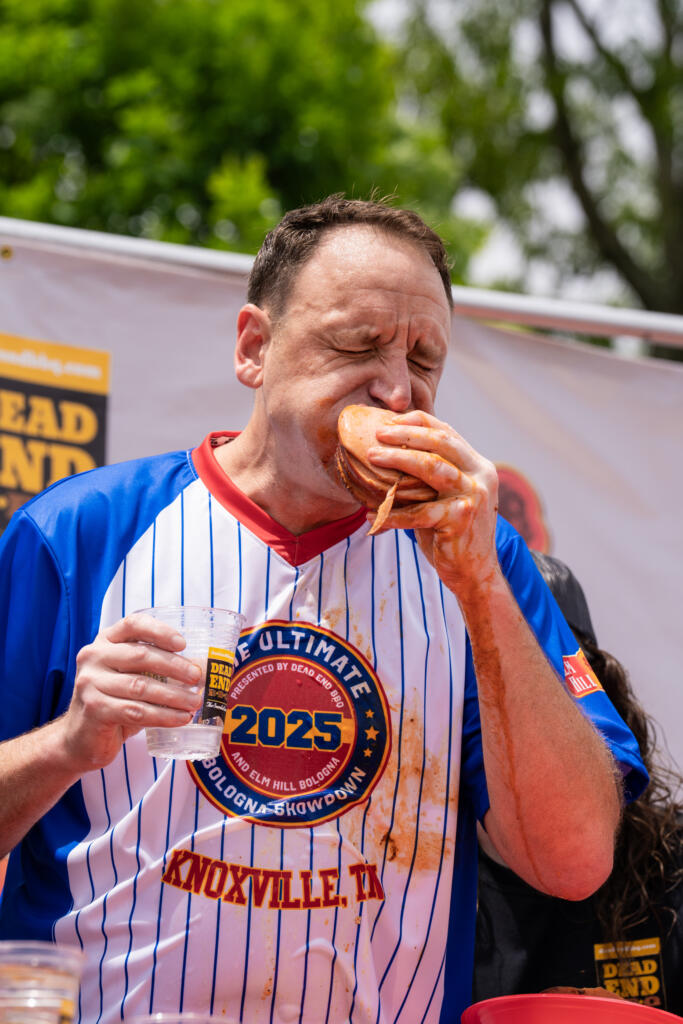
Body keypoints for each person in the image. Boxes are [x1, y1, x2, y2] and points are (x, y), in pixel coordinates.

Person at [0, 197, 647, 1024]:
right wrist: (63, 745)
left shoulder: (480, 560)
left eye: (423, 359)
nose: (395, 389)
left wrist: (481, 590)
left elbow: (574, 860)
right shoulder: (80, 531)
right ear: (253, 349)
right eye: (357, 343)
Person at [474, 551, 683, 1014]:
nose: (526, 713)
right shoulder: (417, 869)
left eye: (549, 682)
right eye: (493, 678)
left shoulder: (671, 866)